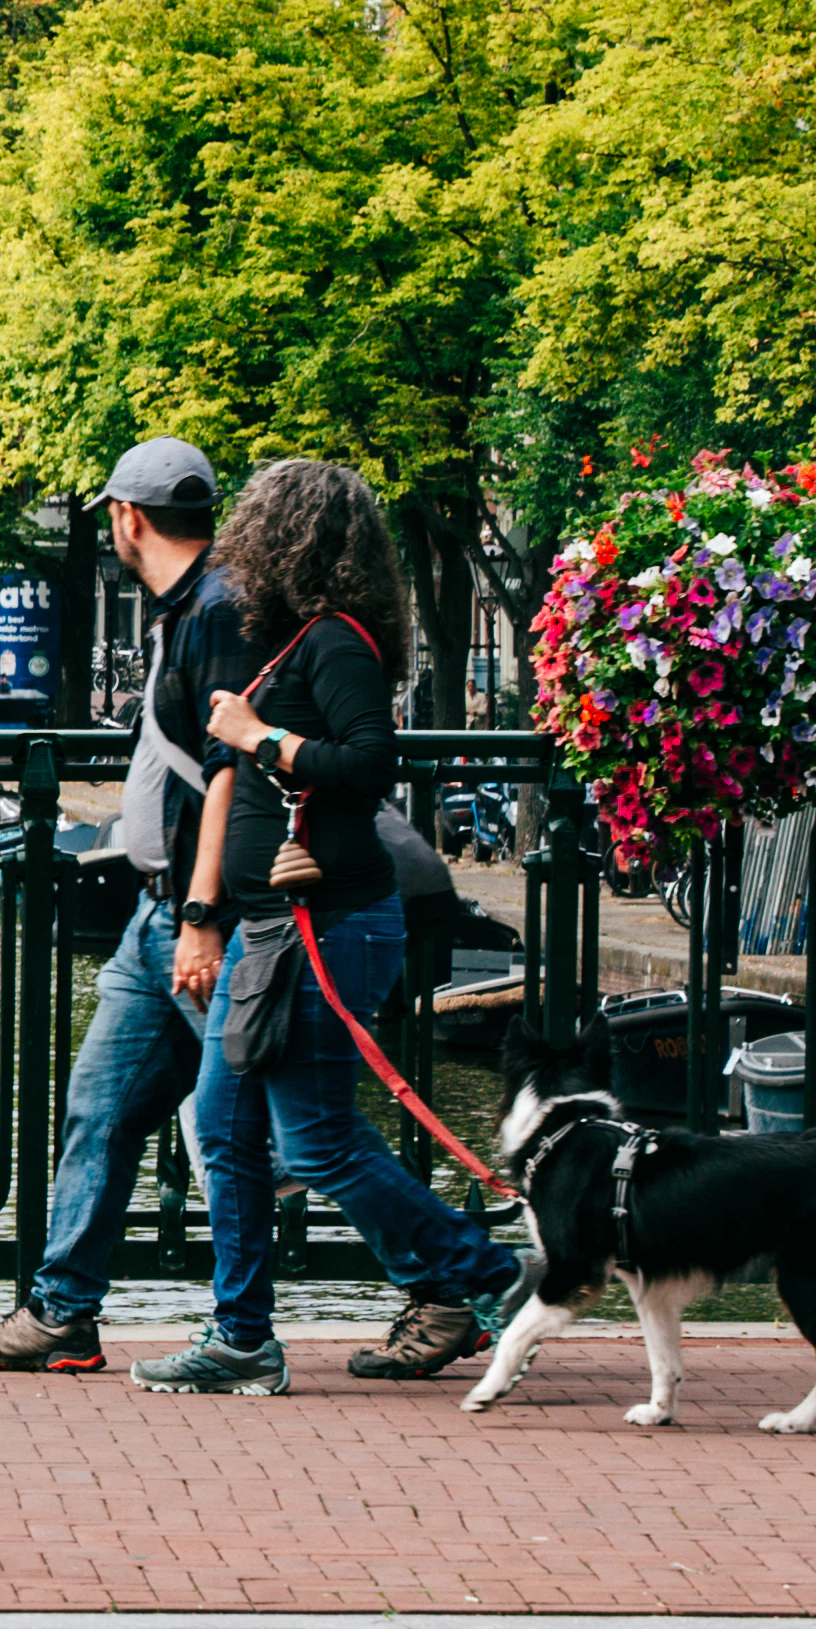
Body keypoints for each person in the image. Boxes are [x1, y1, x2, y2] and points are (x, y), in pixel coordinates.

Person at [177, 456, 535, 1387]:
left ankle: (489, 1273)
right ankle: (242, 1336)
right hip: (276, 931)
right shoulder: (301, 640)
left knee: (315, 1140)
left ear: (284, 537)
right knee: (224, 1126)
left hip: (325, 928)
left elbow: (372, 764)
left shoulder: (337, 641)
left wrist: (262, 739)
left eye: (254, 528)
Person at [0, 438, 239, 1375]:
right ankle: (64, 1310)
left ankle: (460, 1283)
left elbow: (231, 767)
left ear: (127, 518)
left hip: (197, 918)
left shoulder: (218, 614)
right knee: (99, 1110)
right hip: (158, 916)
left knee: (302, 1133)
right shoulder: (186, 608)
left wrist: (203, 911)